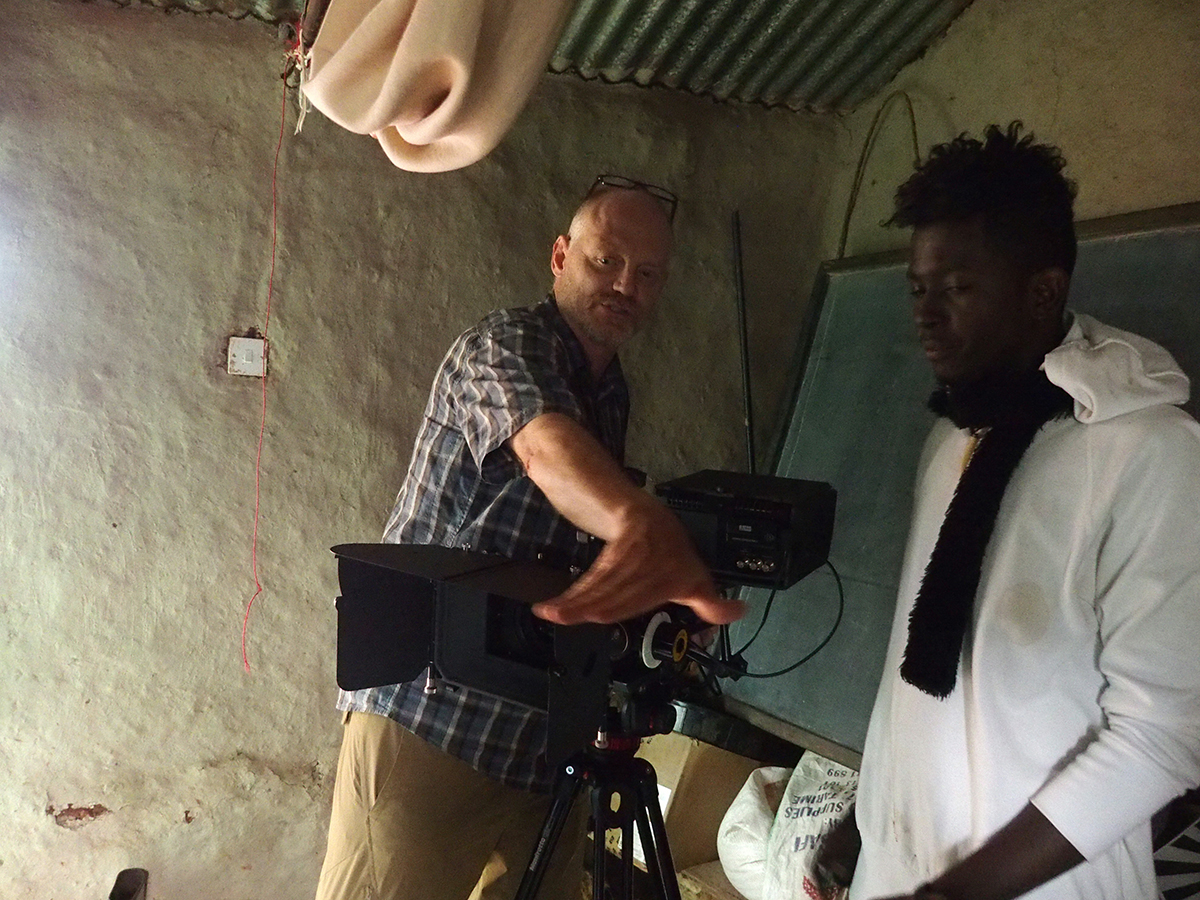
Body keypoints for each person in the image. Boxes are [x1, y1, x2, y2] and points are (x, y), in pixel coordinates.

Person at [313, 176, 745, 900]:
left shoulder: (612, 392)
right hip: (433, 723)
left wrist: (654, 600)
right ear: (561, 256)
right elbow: (545, 450)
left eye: (647, 274)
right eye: (606, 261)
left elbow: (569, 540)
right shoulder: (503, 345)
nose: (625, 285)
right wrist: (643, 527)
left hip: (543, 743)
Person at [818, 124, 1200, 900]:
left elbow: (1162, 736)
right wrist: (869, 819)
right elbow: (919, 670)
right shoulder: (952, 438)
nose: (926, 316)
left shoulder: (1147, 453)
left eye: (956, 288)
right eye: (917, 289)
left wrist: (959, 892)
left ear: (1043, 291)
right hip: (902, 870)